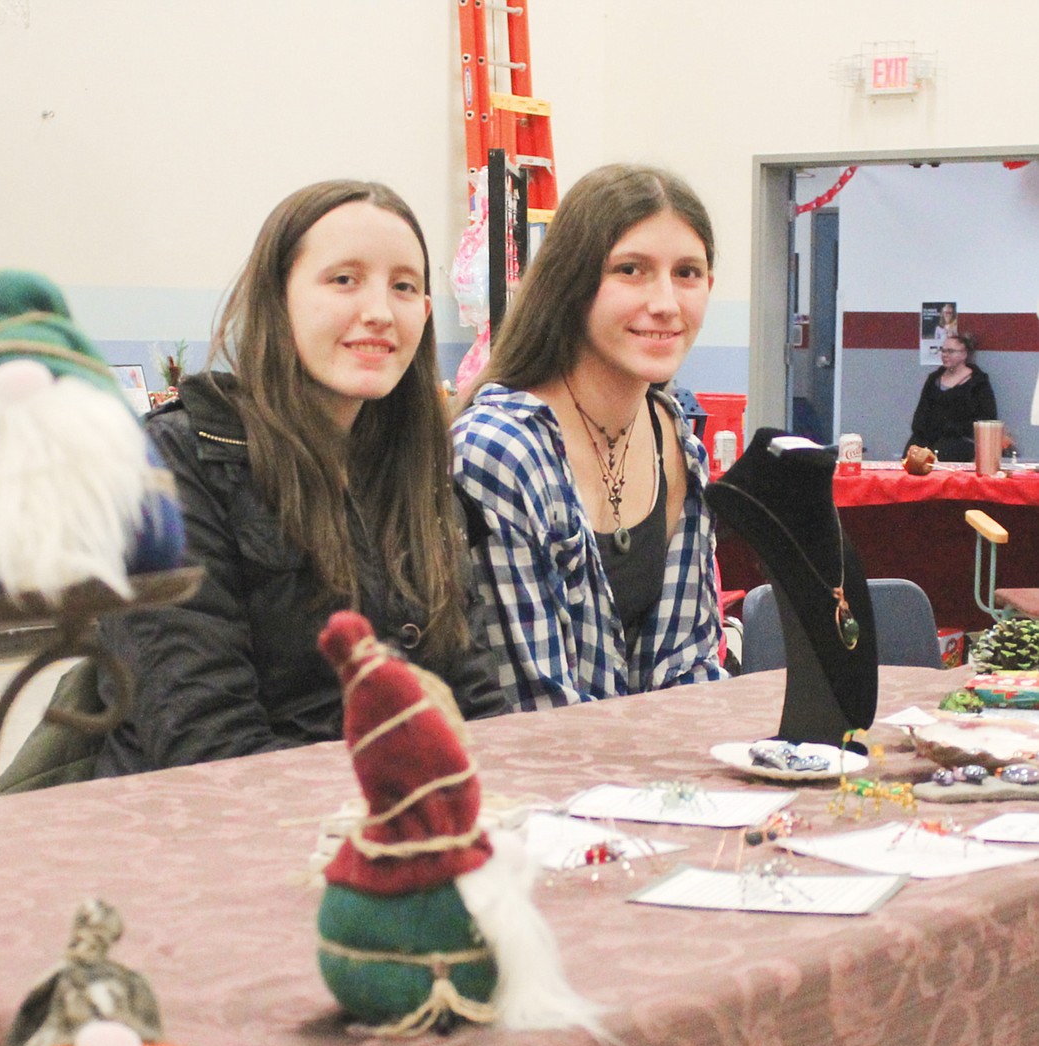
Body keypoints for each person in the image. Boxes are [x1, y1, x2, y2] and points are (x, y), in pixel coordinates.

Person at [96, 180, 507, 776]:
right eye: (344, 280)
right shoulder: (175, 462)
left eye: (404, 286)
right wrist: (411, 793)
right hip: (221, 834)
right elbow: (203, 745)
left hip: (402, 822)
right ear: (277, 298)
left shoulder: (413, 468)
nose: (378, 312)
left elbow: (472, 697)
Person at [451, 163, 723, 710]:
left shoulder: (678, 441)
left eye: (687, 273)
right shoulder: (499, 451)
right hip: (531, 780)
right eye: (632, 269)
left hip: (652, 783)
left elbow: (689, 670)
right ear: (572, 282)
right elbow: (537, 709)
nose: (667, 302)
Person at [904, 332, 997, 463]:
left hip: (960, 438)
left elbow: (987, 417)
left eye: (950, 351)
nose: (945, 355)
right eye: (943, 351)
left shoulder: (978, 383)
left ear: (964, 354)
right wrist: (921, 430)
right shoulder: (933, 379)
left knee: (943, 453)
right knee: (911, 455)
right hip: (928, 437)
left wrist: (955, 429)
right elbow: (921, 411)